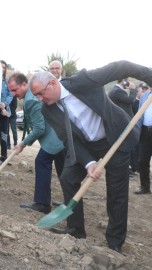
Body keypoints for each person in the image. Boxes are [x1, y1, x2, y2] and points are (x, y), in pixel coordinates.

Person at [29, 60, 152, 255]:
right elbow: (68, 140)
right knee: (67, 177)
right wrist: (88, 163)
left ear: (52, 84)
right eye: (36, 96)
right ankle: (76, 229)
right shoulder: (48, 109)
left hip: (115, 137)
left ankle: (114, 243)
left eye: (40, 94)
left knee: (116, 191)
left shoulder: (84, 80)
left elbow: (121, 67)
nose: (40, 99)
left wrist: (149, 76)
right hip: (86, 145)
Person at [8, 73, 65, 214]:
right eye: (11, 91)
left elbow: (40, 128)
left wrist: (23, 143)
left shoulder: (30, 100)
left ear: (25, 85)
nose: (14, 94)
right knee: (63, 169)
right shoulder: (31, 96)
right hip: (62, 137)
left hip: (55, 139)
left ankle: (42, 203)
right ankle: (69, 200)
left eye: (15, 90)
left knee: (42, 161)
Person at [0, 60, 13, 169]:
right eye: (0, 67)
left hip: (5, 111)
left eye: (4, 67)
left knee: (4, 134)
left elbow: (11, 95)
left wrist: (4, 104)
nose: (2, 69)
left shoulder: (7, 82)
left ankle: (4, 156)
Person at [135, 88, 152, 194]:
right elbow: (140, 114)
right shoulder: (145, 95)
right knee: (142, 161)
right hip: (146, 132)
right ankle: (145, 187)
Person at [129, 87, 143, 176]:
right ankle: (137, 168)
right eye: (142, 91)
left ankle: (134, 167)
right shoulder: (135, 102)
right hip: (135, 129)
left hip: (135, 129)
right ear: (137, 92)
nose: (143, 92)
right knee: (136, 149)